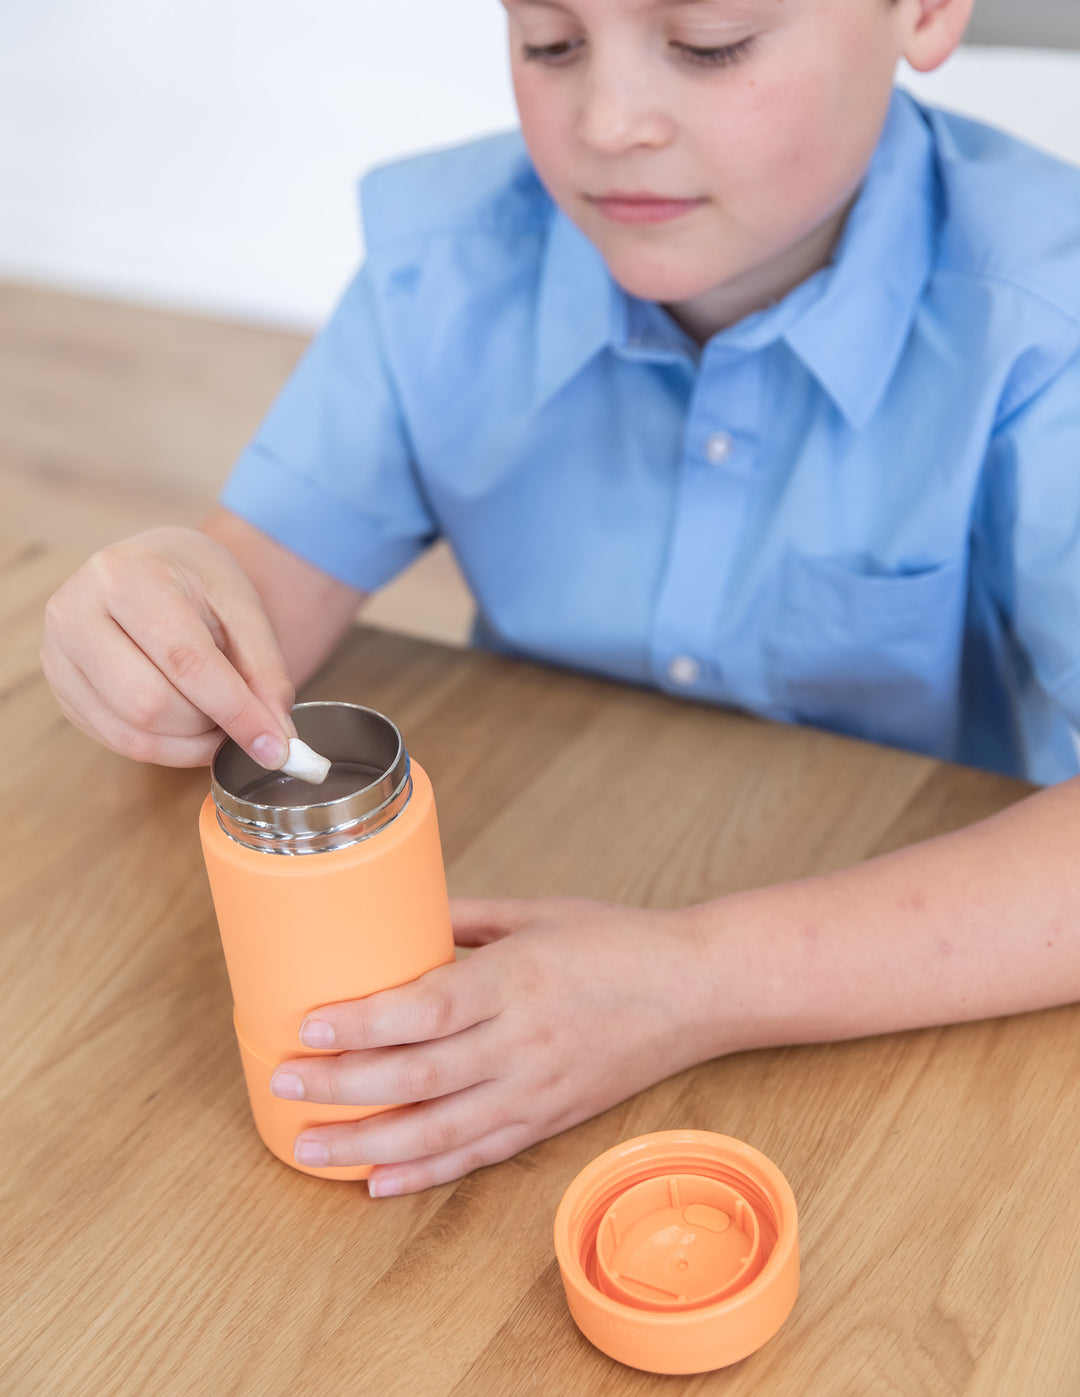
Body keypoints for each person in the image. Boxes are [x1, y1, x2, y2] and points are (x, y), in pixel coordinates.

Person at [41, 0, 1080, 1197]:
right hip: (547, 899)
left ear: (928, 12)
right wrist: (157, 619)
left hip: (925, 1013)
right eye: (549, 41)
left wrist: (693, 980)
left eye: (710, 44)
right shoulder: (443, 265)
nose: (608, 121)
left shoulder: (1042, 320)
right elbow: (245, 616)